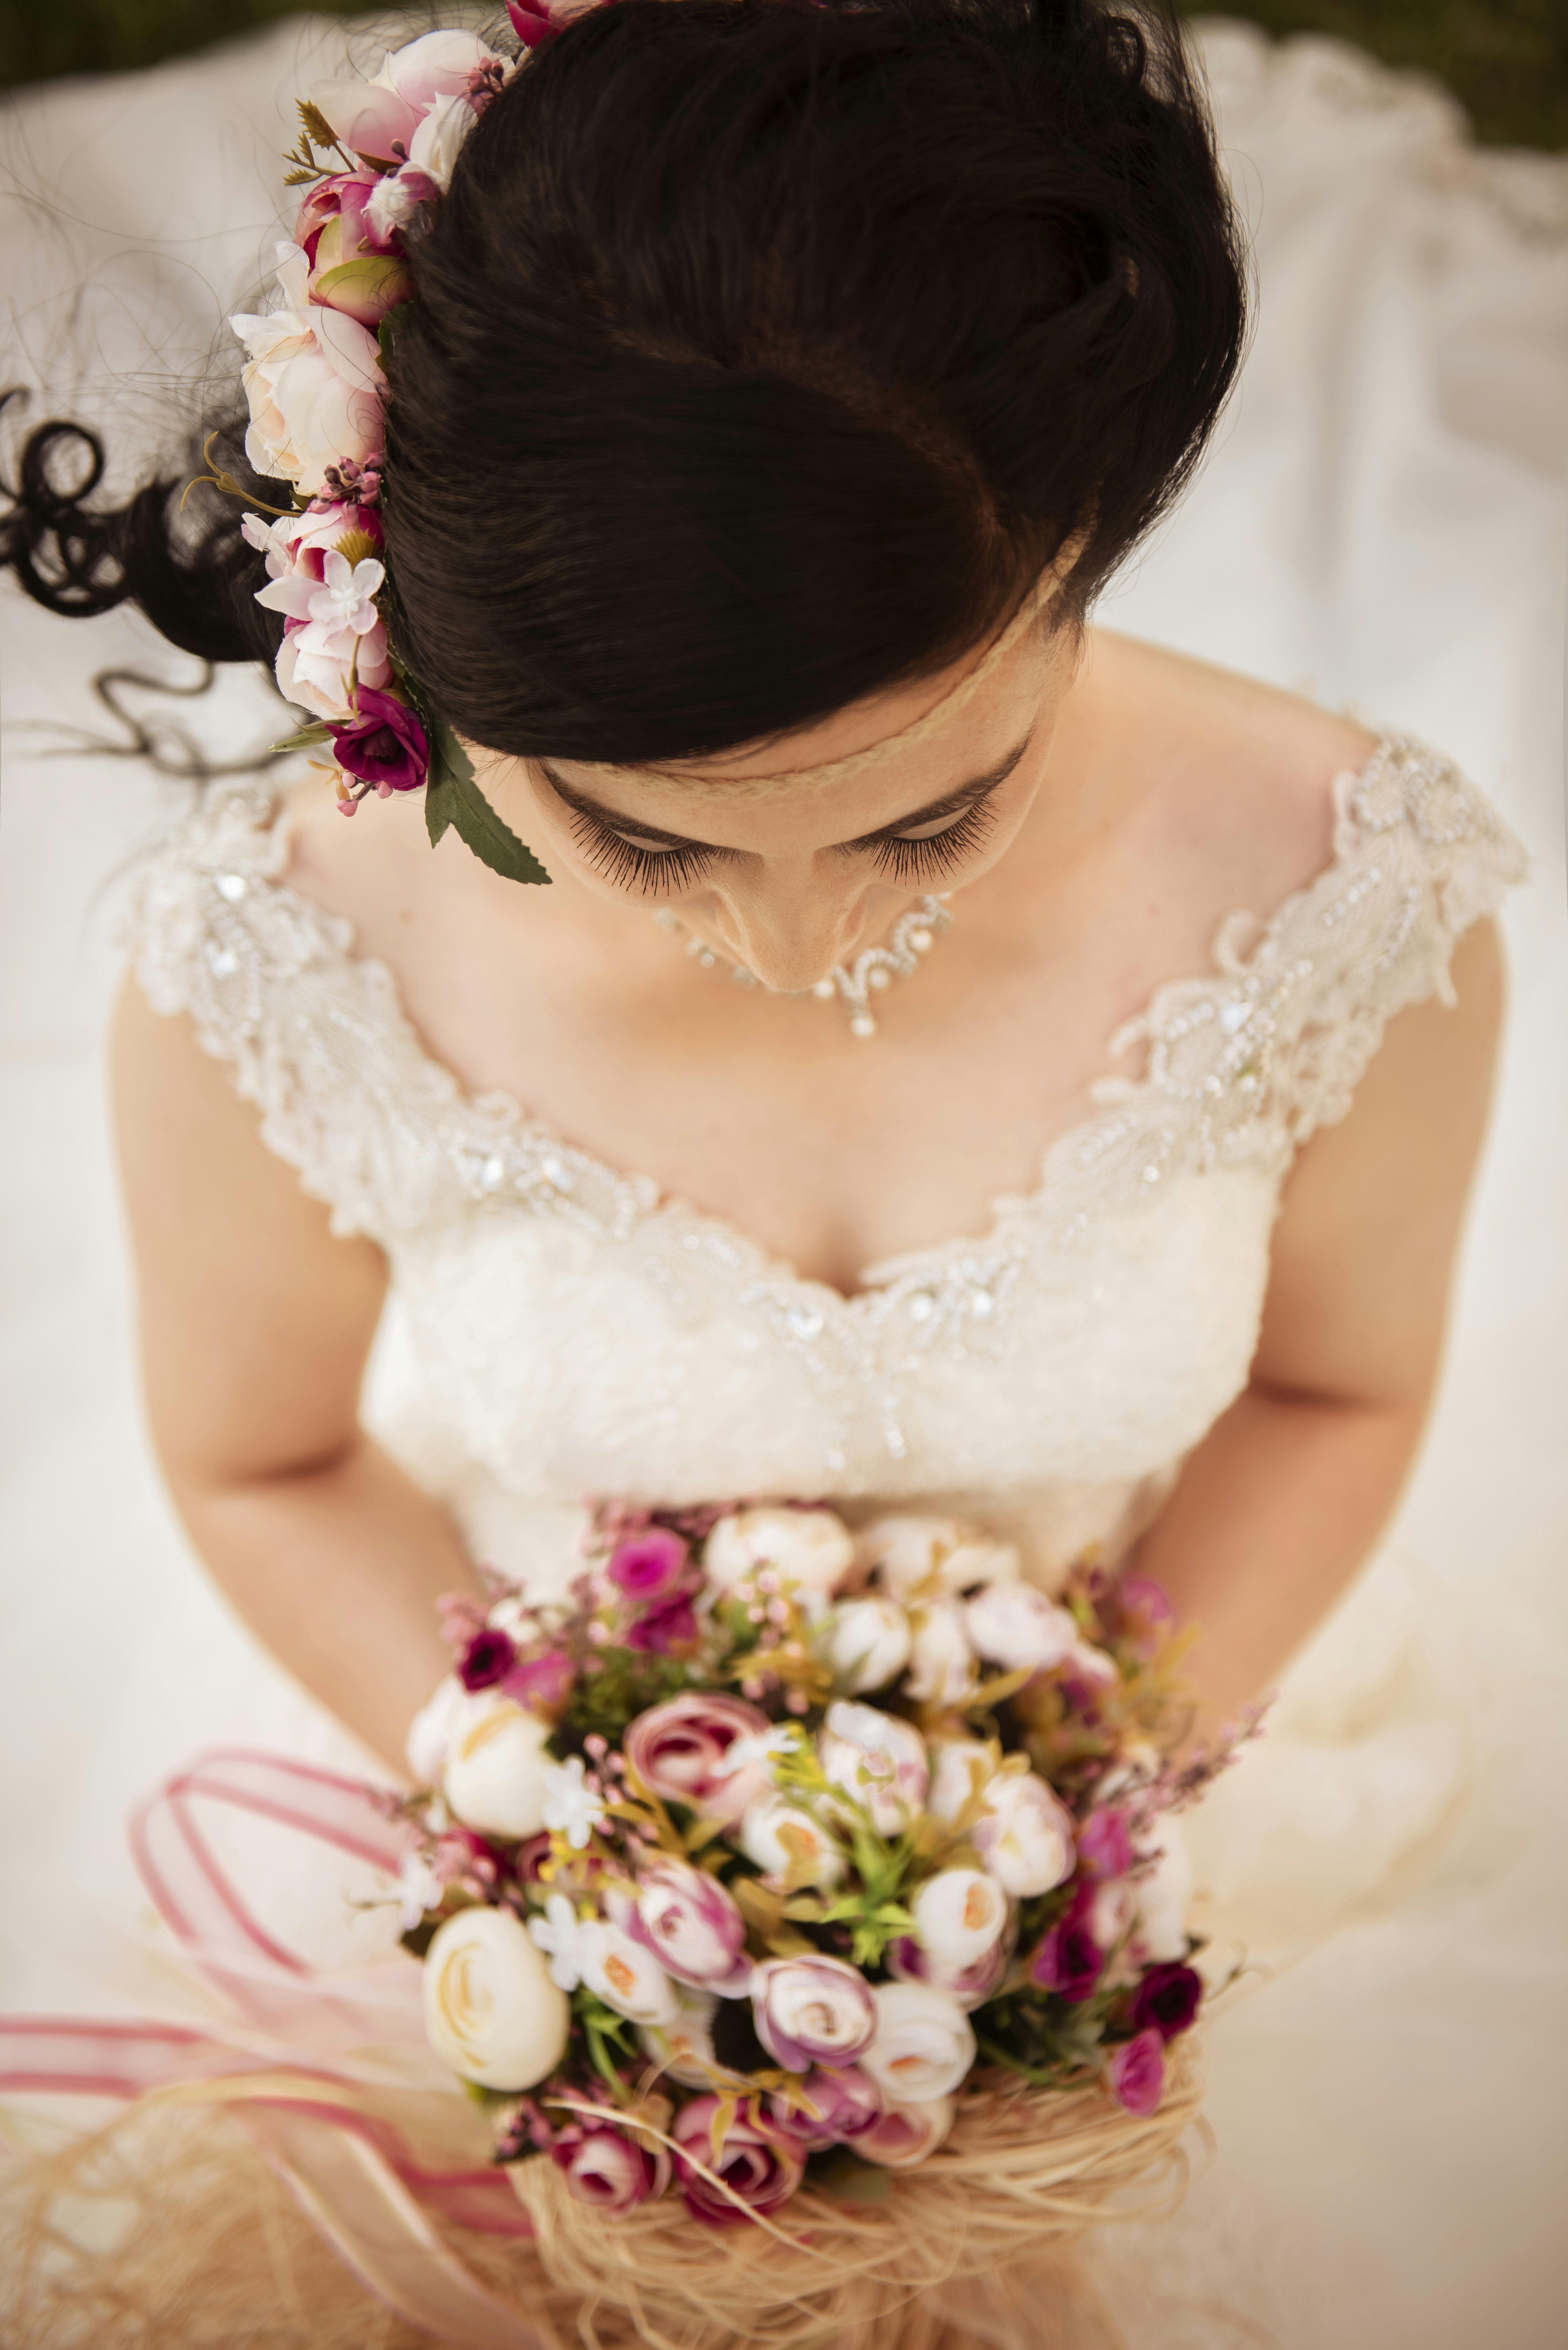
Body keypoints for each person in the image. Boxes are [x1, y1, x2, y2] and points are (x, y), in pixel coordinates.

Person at [0, 0, 1529, 2340]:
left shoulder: (1341, 895)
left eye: (930, 810)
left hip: (1137, 1784)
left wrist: (1040, 1821)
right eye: (645, 838)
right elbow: (259, 1450)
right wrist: (571, 1842)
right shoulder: (281, 956)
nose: (804, 940)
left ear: (1085, 561)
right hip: (508, 1805)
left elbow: (1335, 1397)